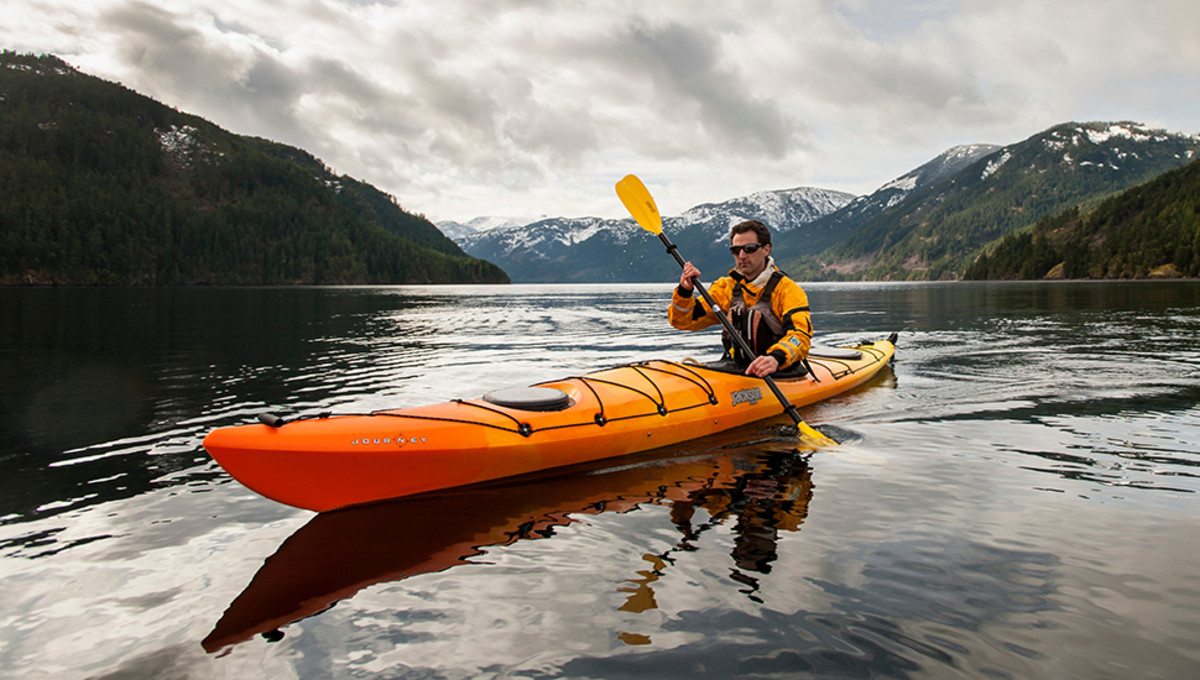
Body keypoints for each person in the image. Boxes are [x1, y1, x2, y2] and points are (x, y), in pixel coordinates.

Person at [668, 219, 812, 377]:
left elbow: (799, 336)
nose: (742, 255)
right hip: (733, 368)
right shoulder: (725, 288)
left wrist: (775, 358)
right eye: (736, 250)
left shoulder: (788, 290)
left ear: (766, 249)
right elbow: (683, 321)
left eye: (749, 249)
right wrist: (684, 291)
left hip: (779, 371)